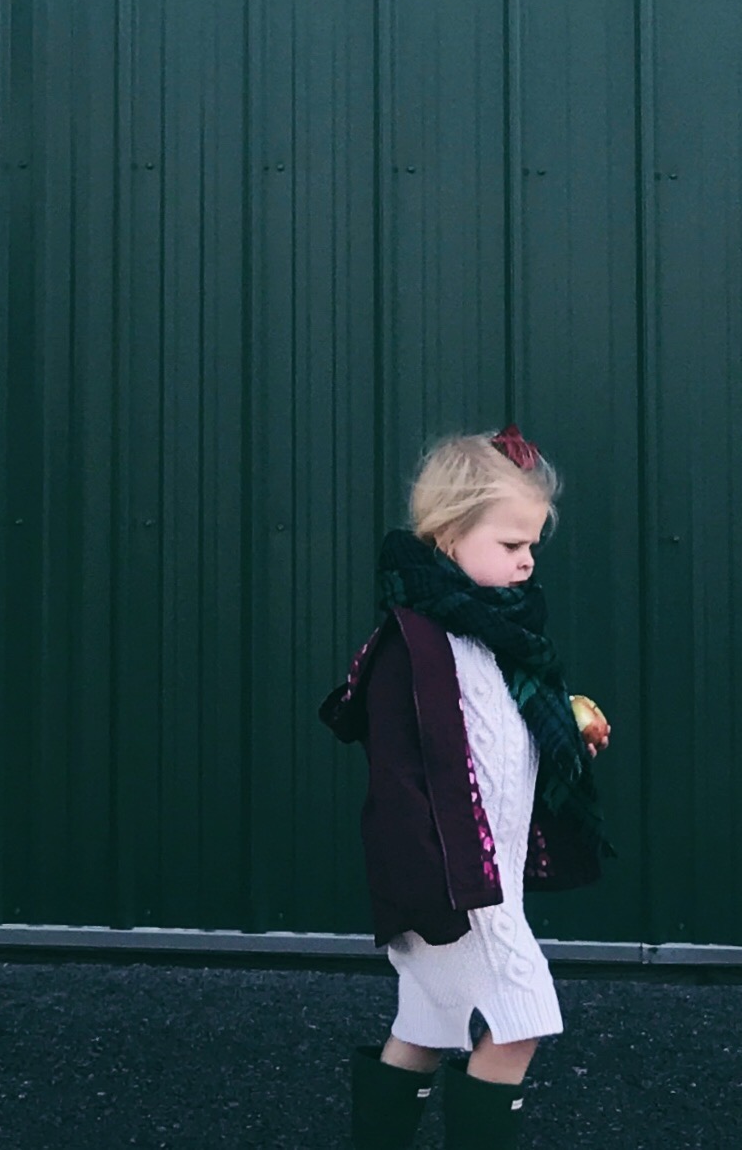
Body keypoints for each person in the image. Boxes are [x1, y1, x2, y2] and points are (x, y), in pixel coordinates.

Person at [320, 427, 609, 1146]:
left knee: (425, 1025)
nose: (527, 562)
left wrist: (565, 737)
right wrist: (435, 887)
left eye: (533, 545)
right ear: (449, 537)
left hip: (486, 877)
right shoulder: (412, 645)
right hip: (454, 885)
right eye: (510, 546)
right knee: (523, 1022)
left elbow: (496, 750)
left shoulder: (497, 638)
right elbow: (399, 779)